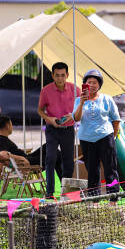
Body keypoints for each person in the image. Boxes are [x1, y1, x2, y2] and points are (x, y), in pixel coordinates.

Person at [73, 69, 120, 200]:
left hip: (106, 137)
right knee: (92, 171)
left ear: (99, 85)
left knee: (110, 168)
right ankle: (95, 199)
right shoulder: (78, 100)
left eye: (95, 82)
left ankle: (114, 198)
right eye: (89, 82)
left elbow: (116, 120)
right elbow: (76, 118)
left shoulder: (107, 99)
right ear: (85, 85)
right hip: (87, 140)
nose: (92, 85)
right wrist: (82, 102)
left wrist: (113, 137)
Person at [37, 62, 80, 198]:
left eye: (63, 75)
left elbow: (81, 109)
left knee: (68, 160)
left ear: (67, 75)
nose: (60, 78)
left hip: (68, 129)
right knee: (50, 158)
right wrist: (49, 119)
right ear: (52, 75)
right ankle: (49, 193)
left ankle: (66, 193)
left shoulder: (76, 90)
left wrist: (72, 116)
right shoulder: (46, 90)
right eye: (57, 75)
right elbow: (40, 110)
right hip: (52, 129)